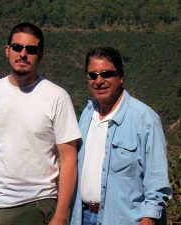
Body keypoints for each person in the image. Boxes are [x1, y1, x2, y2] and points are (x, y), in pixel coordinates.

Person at [0, 22, 81, 225]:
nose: (23, 54)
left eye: (31, 50)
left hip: (36, 206)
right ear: (7, 51)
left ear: (40, 55)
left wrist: (60, 215)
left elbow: (69, 159)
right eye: (17, 47)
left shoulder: (57, 97)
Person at [70, 47, 172, 225]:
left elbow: (156, 181)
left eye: (106, 74)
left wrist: (148, 219)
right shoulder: (86, 115)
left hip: (125, 220)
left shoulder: (145, 119)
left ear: (121, 77)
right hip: (83, 216)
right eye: (92, 75)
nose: (99, 81)